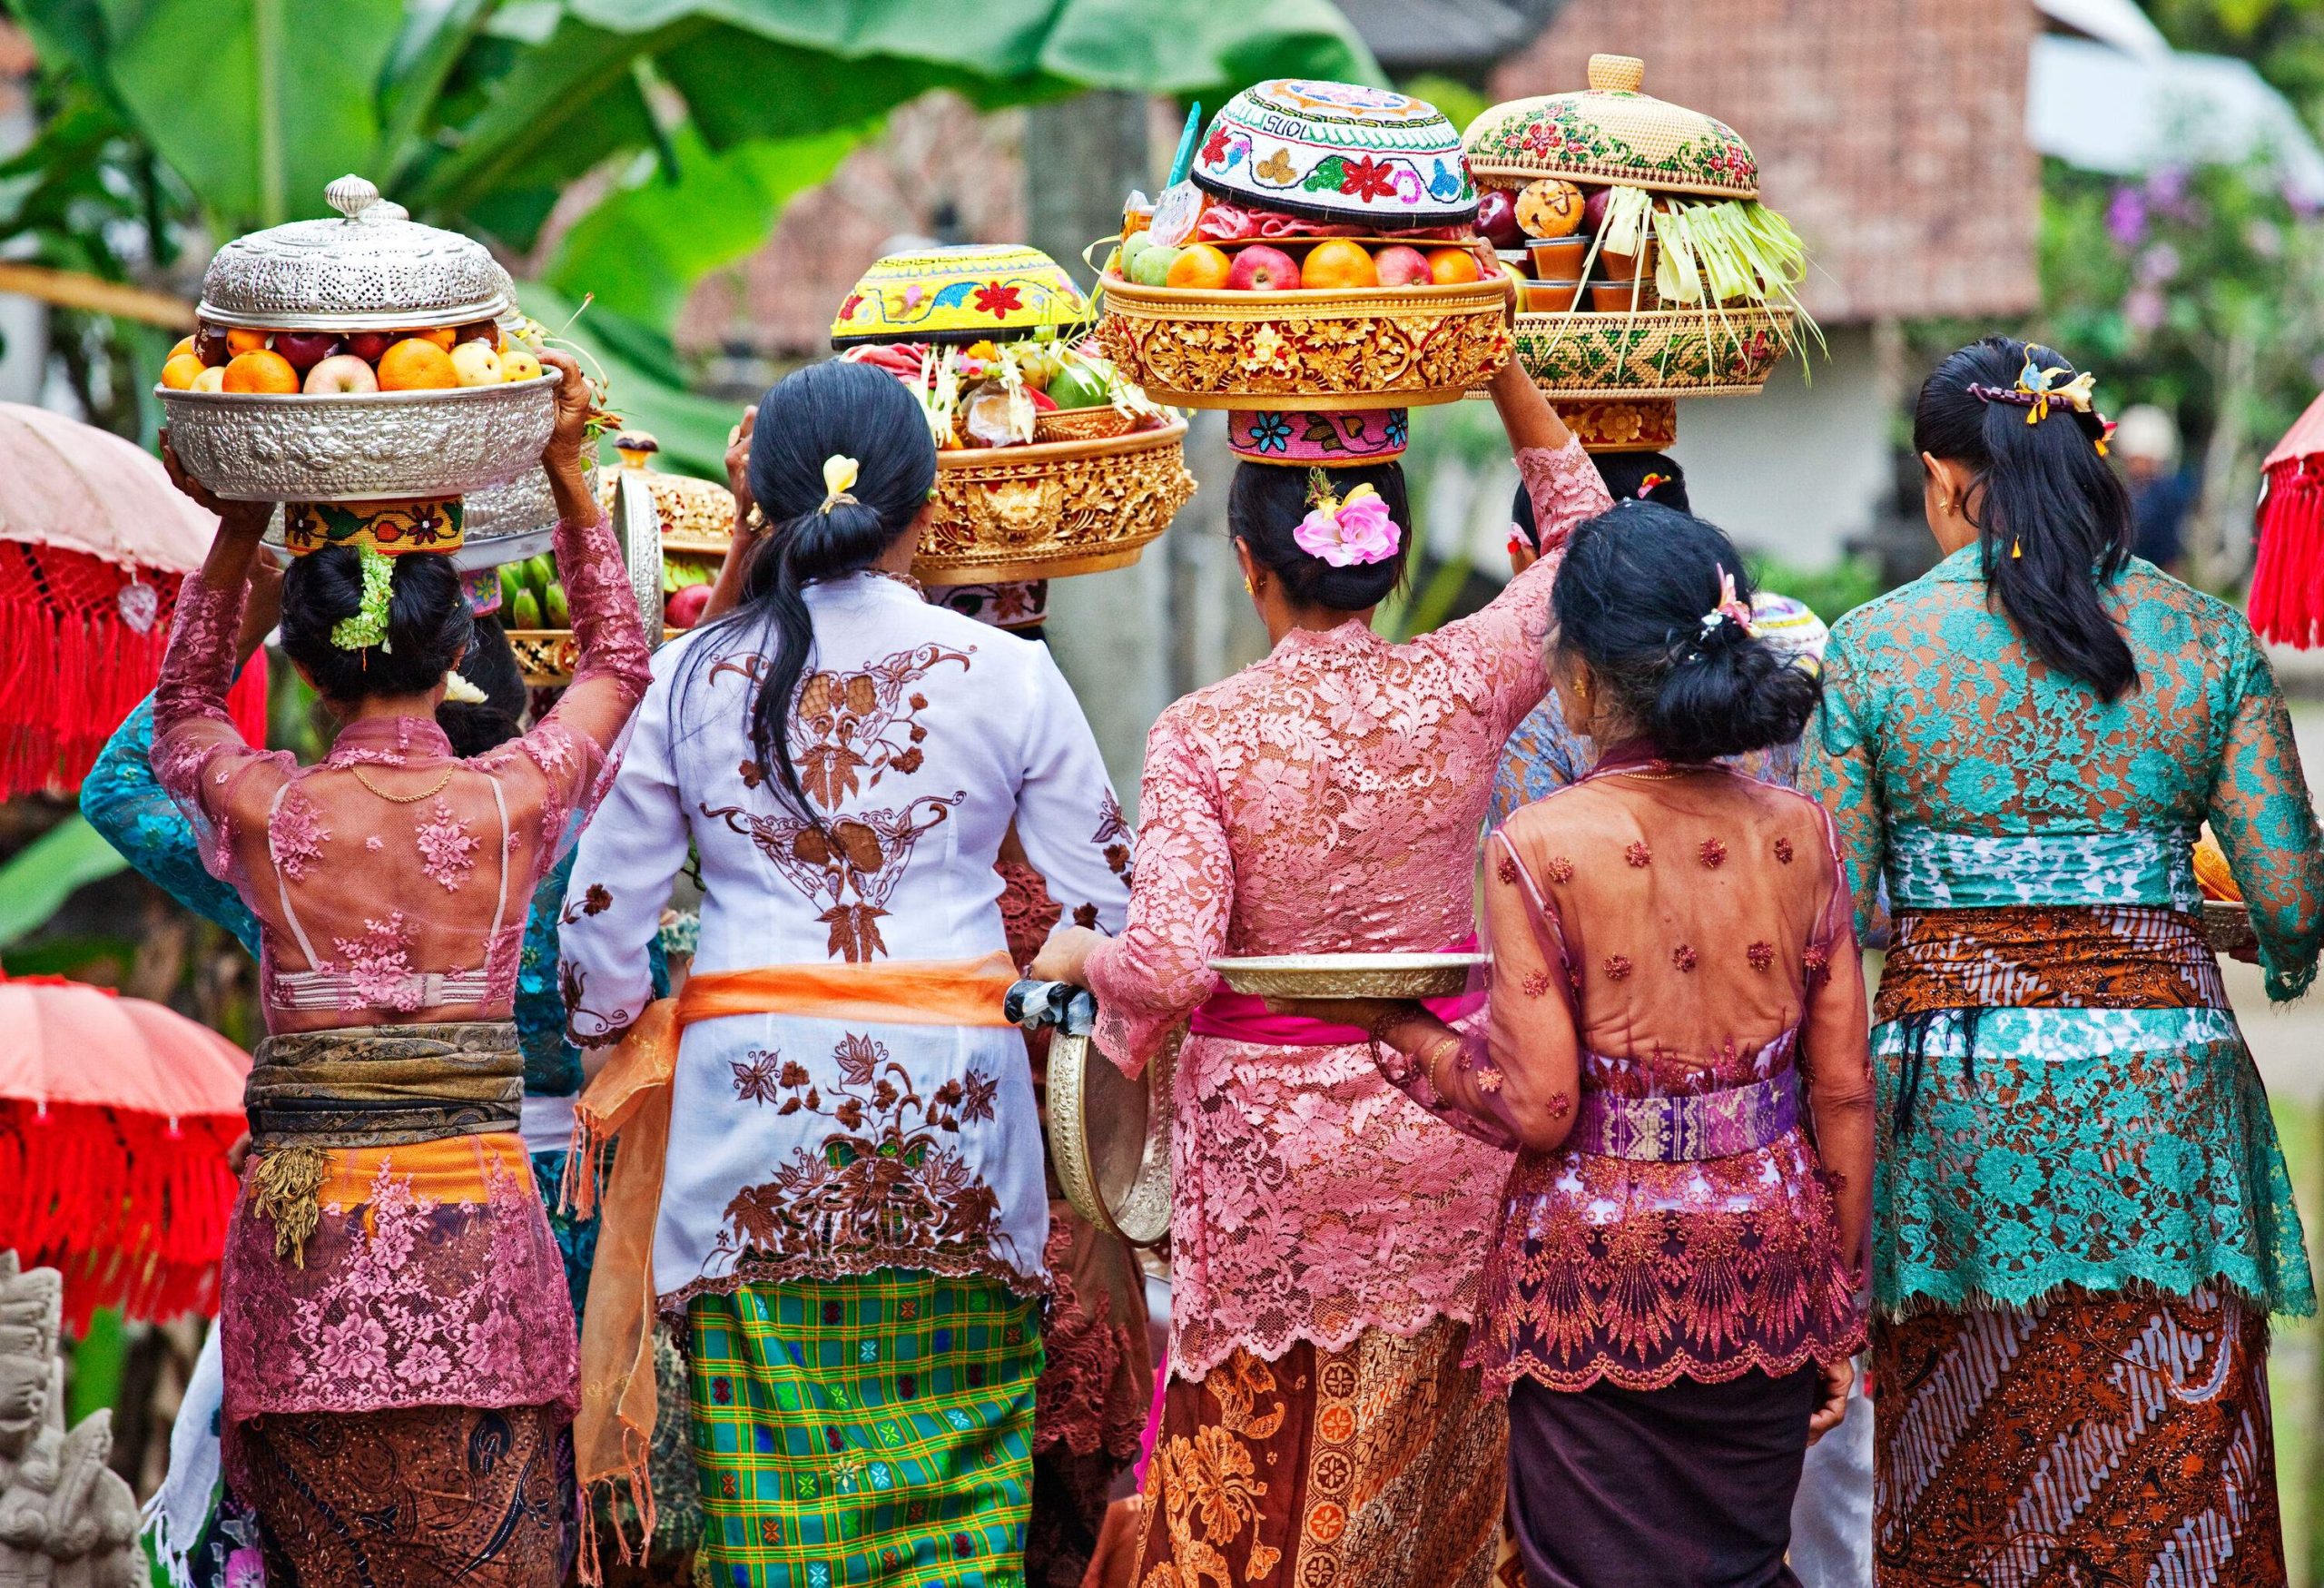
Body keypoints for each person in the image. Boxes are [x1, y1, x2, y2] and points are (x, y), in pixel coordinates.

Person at [1029, 357, 1613, 1588]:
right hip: (1447, 1120)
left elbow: (1176, 959)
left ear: (1250, 564)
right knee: (1446, 1456)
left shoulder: (1203, 731)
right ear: (1389, 563)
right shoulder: (1460, 683)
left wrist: (1084, 949)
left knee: (1257, 1456)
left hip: (1271, 1154)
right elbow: (1591, 541)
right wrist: (1496, 361)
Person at [556, 358, 1133, 1588]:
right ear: (930, 510)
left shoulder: (690, 676)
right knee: (964, 1498)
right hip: (963, 1134)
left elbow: (602, 921)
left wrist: (613, 1023)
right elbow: (1108, 906)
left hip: (745, 1136)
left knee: (776, 1522)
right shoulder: (1011, 673)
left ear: (759, 508)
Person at [1265, 503, 1872, 1586]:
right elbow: (1842, 1091)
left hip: (1597, 1287)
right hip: (1769, 1271)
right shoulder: (1800, 834)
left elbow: (1540, 1105)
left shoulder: (1539, 845)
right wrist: (1836, 1301)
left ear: (1583, 681)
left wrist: (1404, 1034)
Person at [1801, 336, 2323, 1583]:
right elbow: (2295, 900)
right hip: (2166, 1119)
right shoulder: (2200, 639)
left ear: (1942, 475)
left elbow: (1836, 908)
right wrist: (2166, 906)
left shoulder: (1875, 650)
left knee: (1961, 1480)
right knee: (2174, 1475)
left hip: (1956, 1120)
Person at [147, 348, 653, 1587]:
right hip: (478, 1239)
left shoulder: (272, 811)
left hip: (304, 1255)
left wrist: (235, 528)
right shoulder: (507, 800)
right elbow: (618, 665)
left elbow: (178, 705)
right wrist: (569, 475)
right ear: (460, 655)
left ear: (307, 669)